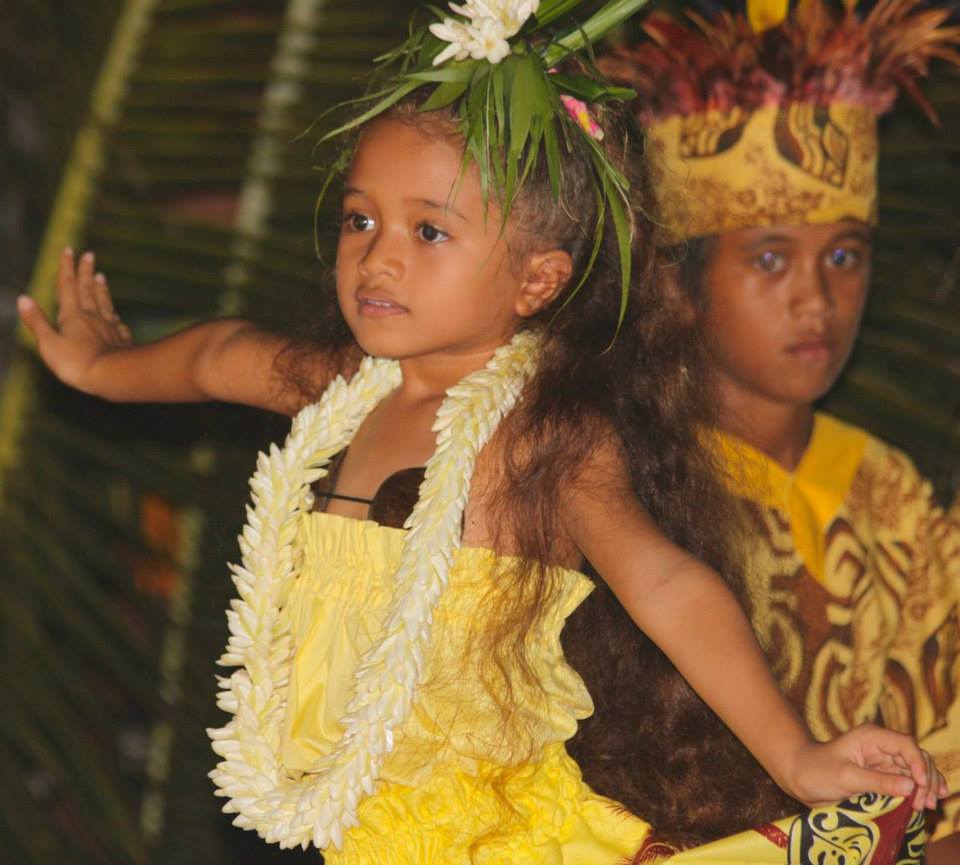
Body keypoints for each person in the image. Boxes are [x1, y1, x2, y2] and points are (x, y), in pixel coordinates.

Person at [17, 1, 949, 862]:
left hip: (489, 835)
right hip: (356, 833)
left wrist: (795, 757)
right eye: (359, 218)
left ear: (535, 281)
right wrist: (101, 368)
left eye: (429, 232)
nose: (376, 253)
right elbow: (220, 355)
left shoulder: (539, 435)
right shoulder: (345, 388)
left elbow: (667, 584)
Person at [574, 0, 960, 860]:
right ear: (681, 282)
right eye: (770, 258)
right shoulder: (613, 478)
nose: (817, 300)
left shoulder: (895, 493)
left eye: (844, 255)